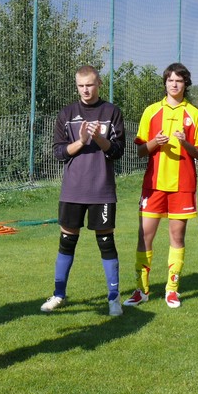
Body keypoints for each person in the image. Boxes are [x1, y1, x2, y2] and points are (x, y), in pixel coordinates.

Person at [40, 65, 126, 316]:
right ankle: (59, 294)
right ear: (76, 86)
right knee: (67, 242)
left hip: (102, 190)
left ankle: (113, 299)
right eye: (81, 85)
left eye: (89, 84)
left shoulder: (111, 112)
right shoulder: (67, 114)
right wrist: (81, 141)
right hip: (73, 190)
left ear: (99, 83)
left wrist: (98, 138)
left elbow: (118, 151)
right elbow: (58, 152)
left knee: (106, 243)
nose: (85, 90)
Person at [123, 62, 198, 309]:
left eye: (179, 81)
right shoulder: (151, 111)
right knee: (144, 236)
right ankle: (141, 291)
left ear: (185, 84)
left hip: (183, 186)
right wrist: (155, 142)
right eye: (170, 80)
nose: (174, 84)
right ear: (165, 83)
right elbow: (140, 151)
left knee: (177, 237)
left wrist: (185, 144)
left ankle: (172, 290)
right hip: (153, 185)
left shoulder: (194, 114)